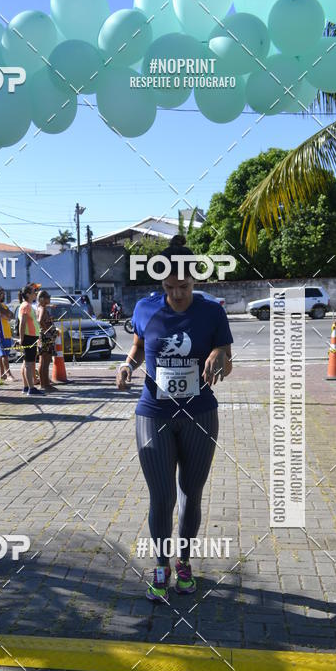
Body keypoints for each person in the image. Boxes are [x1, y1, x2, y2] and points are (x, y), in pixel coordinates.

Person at [116, 236, 233, 601]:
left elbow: (226, 355)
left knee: (190, 494)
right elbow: (138, 346)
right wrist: (126, 365)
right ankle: (161, 565)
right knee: (162, 496)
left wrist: (218, 357)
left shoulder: (211, 311)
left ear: (195, 281)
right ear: (160, 283)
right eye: (170, 287)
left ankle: (184, 562)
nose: (178, 294)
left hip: (199, 412)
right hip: (154, 412)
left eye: (184, 286)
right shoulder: (144, 309)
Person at [18, 284, 45, 395]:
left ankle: (26, 387)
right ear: (28, 294)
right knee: (29, 363)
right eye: (33, 292)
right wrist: (21, 339)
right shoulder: (26, 306)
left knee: (26, 363)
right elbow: (22, 323)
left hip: (30, 337)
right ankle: (31, 388)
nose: (35, 294)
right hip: (28, 337)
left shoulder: (27, 305)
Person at [36, 290, 57, 391]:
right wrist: (47, 330)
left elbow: (42, 319)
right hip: (46, 337)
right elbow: (40, 321)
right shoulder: (43, 308)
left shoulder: (40, 307)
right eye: (48, 297)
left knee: (42, 361)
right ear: (42, 299)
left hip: (42, 336)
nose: (50, 298)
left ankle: (43, 383)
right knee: (46, 361)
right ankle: (45, 384)